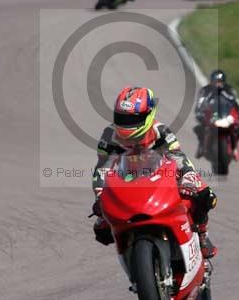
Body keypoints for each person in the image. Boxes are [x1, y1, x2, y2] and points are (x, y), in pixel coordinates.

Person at [90, 87, 218, 258]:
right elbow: (103, 168)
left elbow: (179, 159)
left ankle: (202, 234)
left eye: (133, 119)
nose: (127, 124)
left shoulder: (160, 131)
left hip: (161, 174)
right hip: (127, 179)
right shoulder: (109, 135)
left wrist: (187, 180)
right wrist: (100, 196)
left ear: (149, 114)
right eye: (122, 118)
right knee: (101, 229)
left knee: (205, 194)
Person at [194, 69, 239, 160]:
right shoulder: (205, 90)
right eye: (216, 82)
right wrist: (199, 111)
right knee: (200, 128)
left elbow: (236, 101)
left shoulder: (229, 90)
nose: (218, 84)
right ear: (212, 82)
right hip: (211, 114)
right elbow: (200, 102)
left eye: (220, 82)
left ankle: (234, 148)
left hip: (225, 115)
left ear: (224, 82)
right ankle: (202, 146)